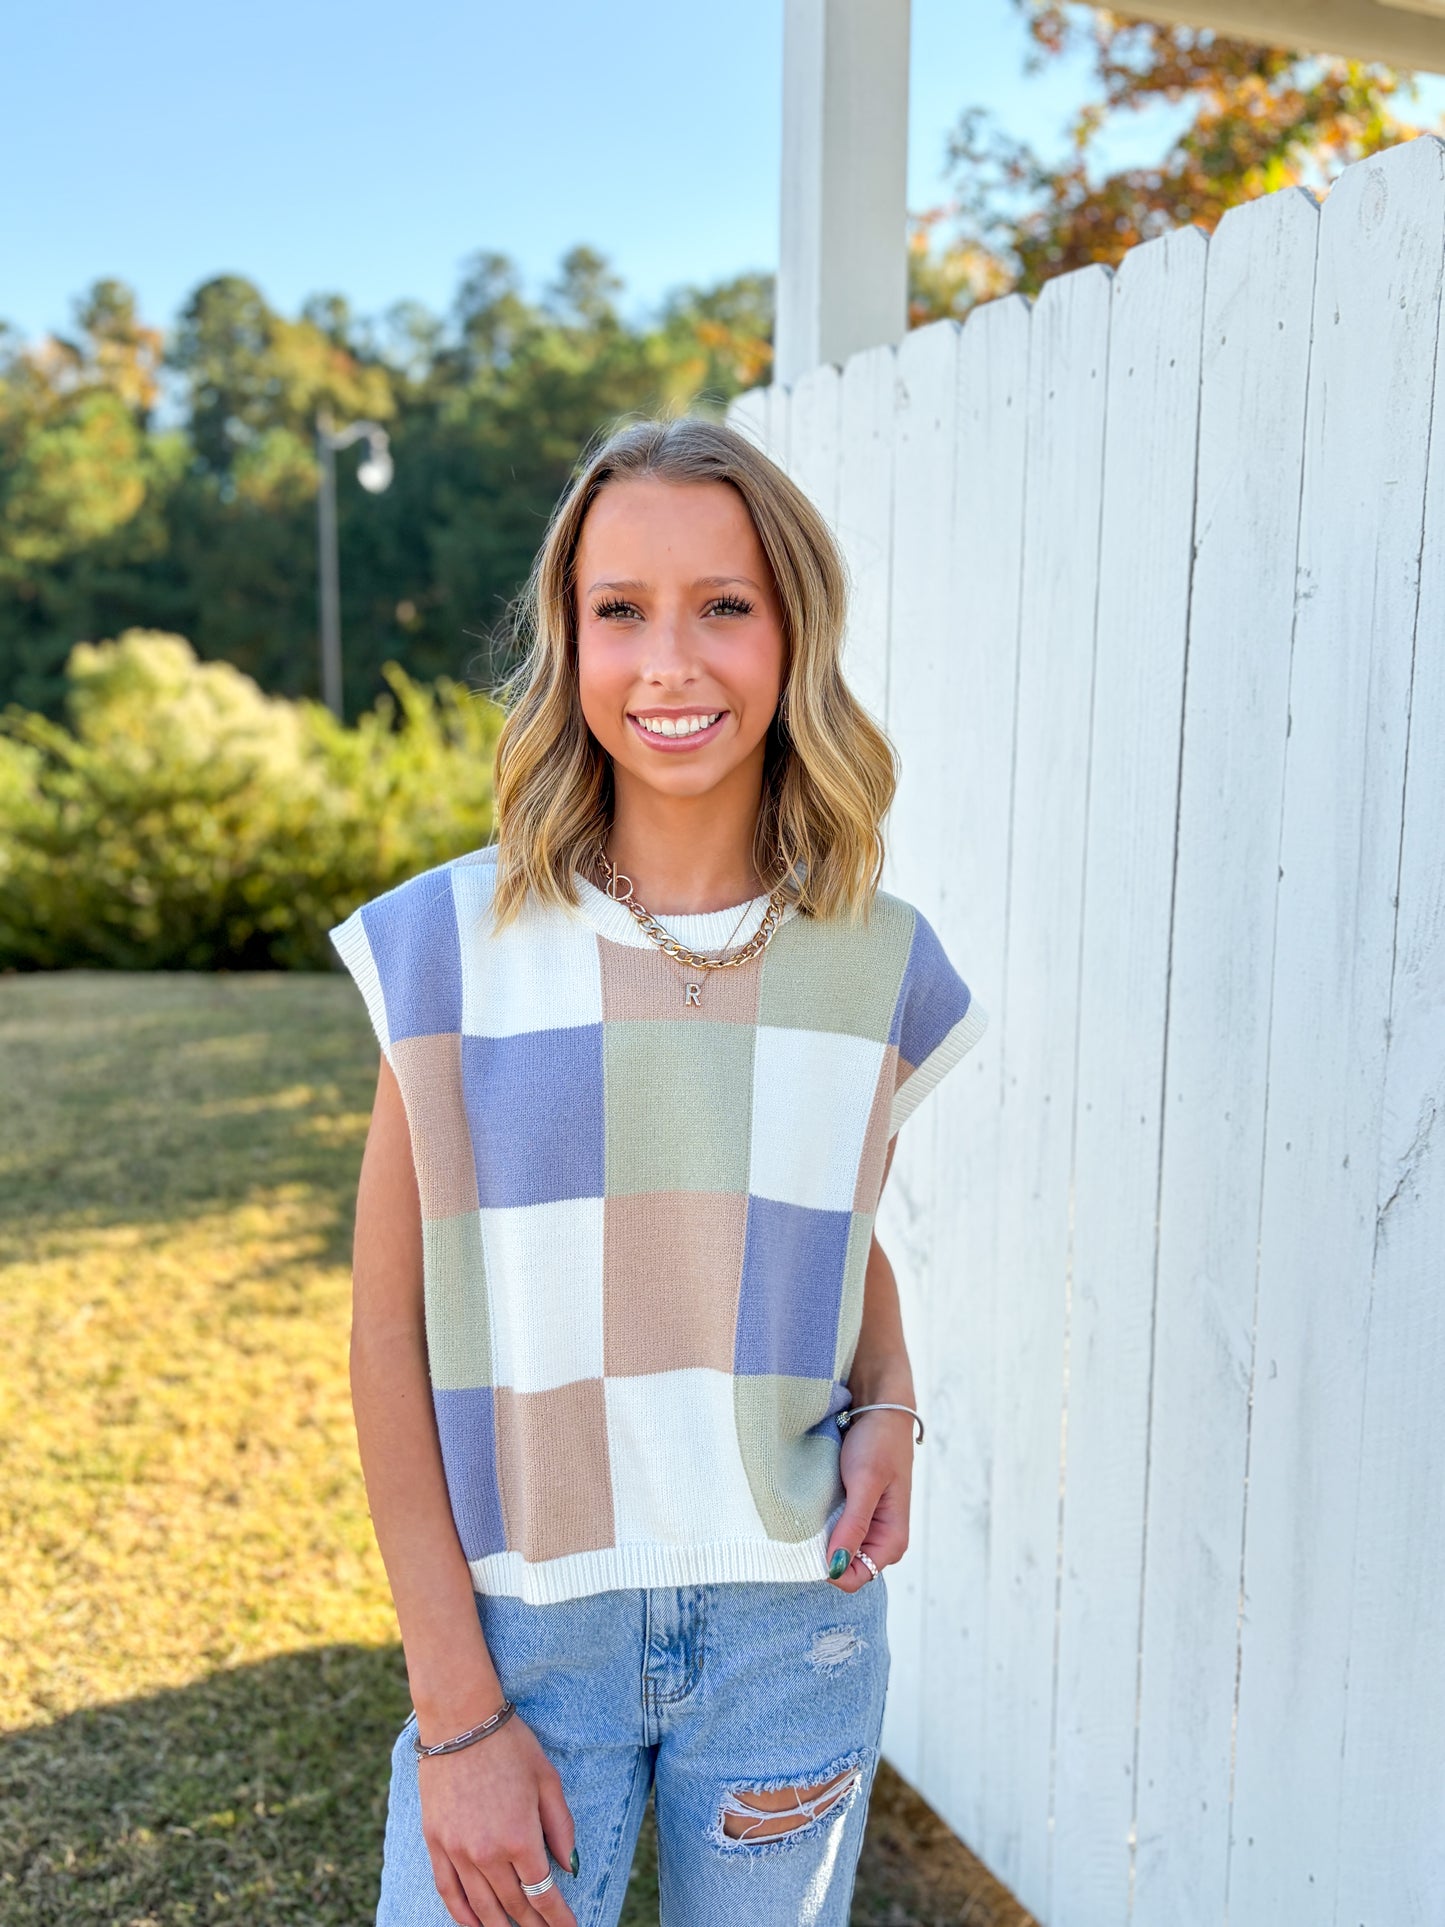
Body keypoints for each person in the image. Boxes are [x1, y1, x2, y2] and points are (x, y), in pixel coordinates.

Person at [331, 415, 989, 1927]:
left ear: (793, 632)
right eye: (618, 610)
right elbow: (386, 1332)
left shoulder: (881, 962)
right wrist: (457, 1711)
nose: (669, 664)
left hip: (791, 1639)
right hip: (521, 1638)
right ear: (567, 640)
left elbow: (822, 1222)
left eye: (724, 606)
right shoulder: (445, 951)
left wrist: (888, 1397)